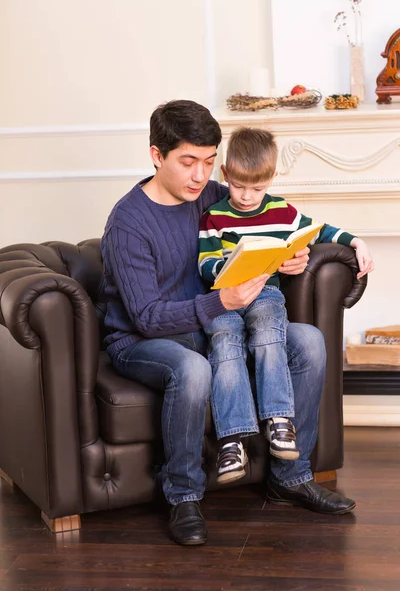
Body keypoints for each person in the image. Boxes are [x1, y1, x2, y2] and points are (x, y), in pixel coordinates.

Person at [101, 99, 364, 548]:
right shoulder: (128, 223)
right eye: (188, 162)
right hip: (142, 339)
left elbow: (264, 220)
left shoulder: (211, 195)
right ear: (156, 155)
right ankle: (183, 494)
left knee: (310, 343)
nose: (201, 176)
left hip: (211, 324)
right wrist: (220, 302)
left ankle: (290, 476)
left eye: (208, 162)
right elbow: (146, 318)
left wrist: (290, 257)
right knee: (192, 369)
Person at [198, 127, 374, 486]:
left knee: (268, 334)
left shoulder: (283, 211)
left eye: (257, 188)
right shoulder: (213, 217)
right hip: (226, 301)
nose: (247, 197)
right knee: (225, 347)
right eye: (239, 186)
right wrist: (228, 265)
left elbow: (320, 231)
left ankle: (280, 421)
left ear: (272, 179)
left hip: (263, 295)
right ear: (226, 174)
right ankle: (232, 442)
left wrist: (356, 241)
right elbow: (205, 263)